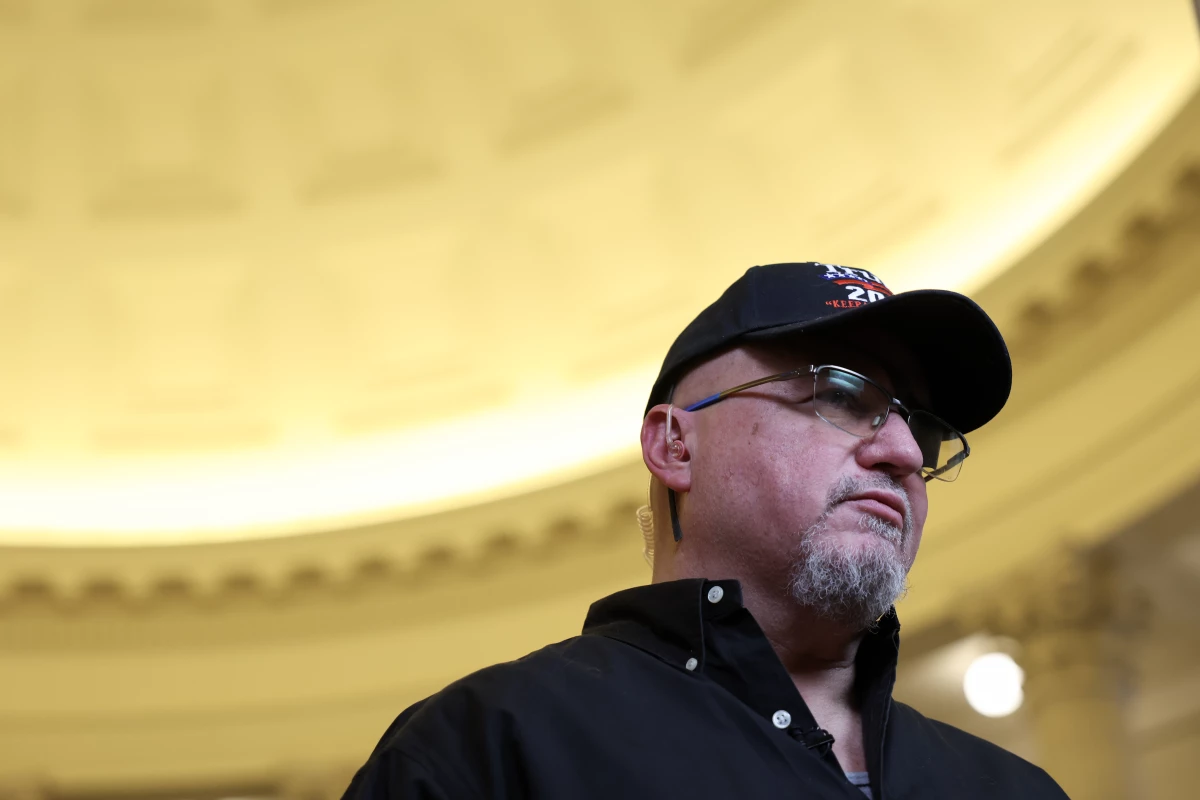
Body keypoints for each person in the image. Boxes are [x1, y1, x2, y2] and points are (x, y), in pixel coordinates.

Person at [341, 262, 1069, 799]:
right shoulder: (487, 748)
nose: (906, 455)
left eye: (927, 432)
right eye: (842, 394)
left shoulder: (1015, 789)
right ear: (675, 447)